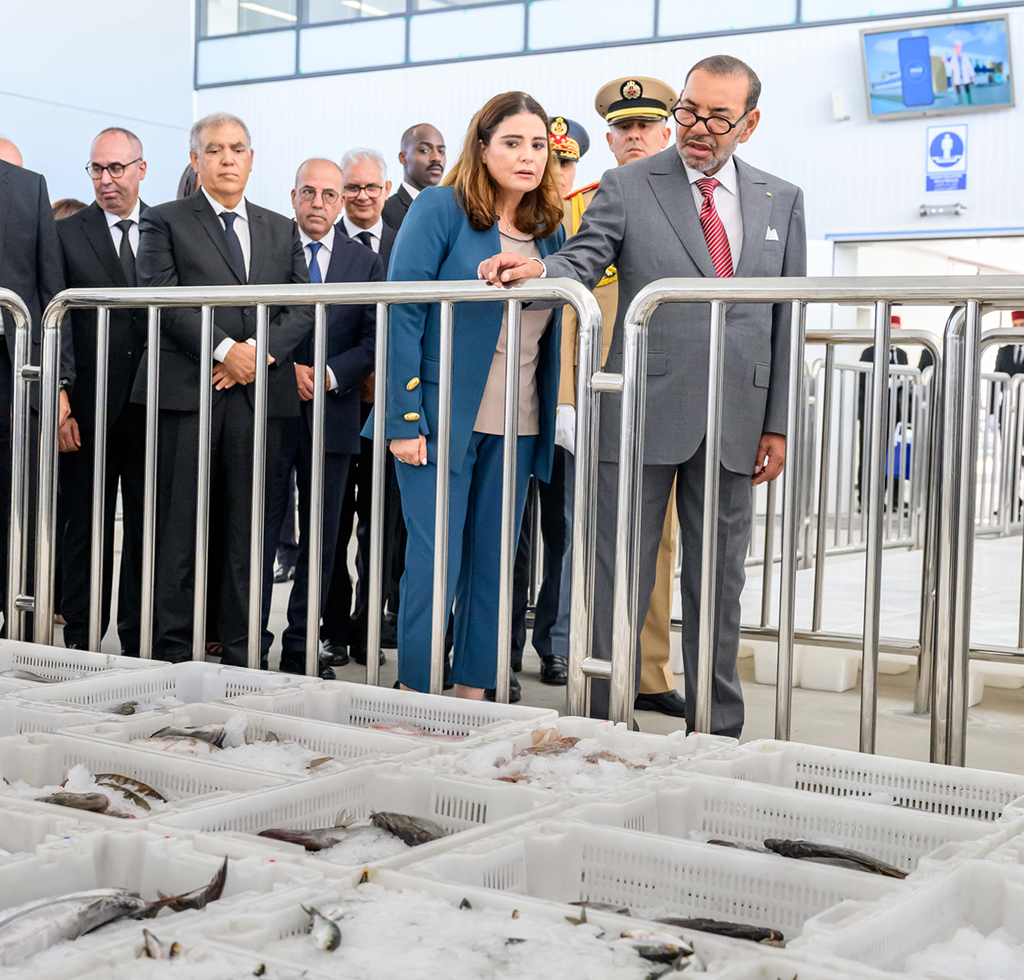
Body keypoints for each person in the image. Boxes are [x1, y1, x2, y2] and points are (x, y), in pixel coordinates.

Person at [481, 57, 806, 736]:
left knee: (719, 583)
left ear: (749, 123)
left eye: (718, 117)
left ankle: (716, 732)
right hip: (639, 412)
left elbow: (786, 317)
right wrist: (543, 267)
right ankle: (600, 723)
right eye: (688, 110)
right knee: (616, 577)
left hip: (736, 419)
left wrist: (777, 420)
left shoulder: (782, 198)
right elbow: (584, 255)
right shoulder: (629, 186)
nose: (698, 128)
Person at [383, 90, 565, 698]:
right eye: (512, 142)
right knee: (434, 564)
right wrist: (403, 419)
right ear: (481, 148)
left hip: (518, 423)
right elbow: (402, 312)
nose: (528, 156)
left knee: (493, 565)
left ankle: (473, 693)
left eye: (538, 145)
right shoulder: (441, 208)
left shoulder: (551, 230)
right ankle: (416, 688)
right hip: (440, 420)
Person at [135, 111, 313, 666]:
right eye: (214, 150)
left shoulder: (280, 227)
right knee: (179, 530)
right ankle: (169, 654)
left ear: (252, 158)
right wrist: (222, 351)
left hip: (258, 394)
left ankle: (241, 656)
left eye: (237, 148)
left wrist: (255, 356)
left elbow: (299, 303)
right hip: (189, 394)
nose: (228, 158)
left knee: (248, 534)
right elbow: (159, 294)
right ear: (195, 160)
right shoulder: (164, 221)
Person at [551, 77, 687, 718]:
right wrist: (565, 399)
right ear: (608, 138)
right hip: (600, 390)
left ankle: (650, 668)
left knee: (660, 541)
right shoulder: (583, 205)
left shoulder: (692, 203)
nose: (635, 137)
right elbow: (568, 310)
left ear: (667, 132)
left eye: (646, 127)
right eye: (623, 129)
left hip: (670, 390)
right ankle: (595, 659)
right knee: (600, 537)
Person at [263, 158, 381, 678]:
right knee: (258, 530)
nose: (318, 203)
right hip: (269, 409)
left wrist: (329, 374)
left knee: (323, 539)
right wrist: (287, 371)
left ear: (341, 203)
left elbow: (373, 340)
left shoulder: (365, 262)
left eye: (328, 195)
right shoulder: (269, 250)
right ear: (292, 197)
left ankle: (300, 647)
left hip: (333, 413)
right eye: (308, 193)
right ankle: (249, 640)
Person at [56, 127, 149, 655]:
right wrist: (62, 398)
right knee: (83, 529)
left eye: (116, 168)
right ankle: (81, 642)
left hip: (153, 406)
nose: (106, 179)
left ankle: (137, 643)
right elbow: (59, 321)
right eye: (97, 168)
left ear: (141, 168)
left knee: (145, 529)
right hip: (87, 409)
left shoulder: (165, 229)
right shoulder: (68, 234)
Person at [506, 115, 590, 690]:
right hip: (517, 398)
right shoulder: (513, 215)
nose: (555, 171)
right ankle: (499, 643)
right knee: (506, 530)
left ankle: (554, 642)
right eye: (546, 156)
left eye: (564, 161)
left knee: (563, 531)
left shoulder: (591, 216)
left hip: (568, 402)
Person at [321, 149, 398, 668]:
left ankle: (371, 624)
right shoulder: (323, 243)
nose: (363, 196)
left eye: (372, 187)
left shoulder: (403, 242)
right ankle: (332, 627)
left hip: (389, 409)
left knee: (383, 529)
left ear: (386, 190)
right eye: (353, 187)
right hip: (334, 404)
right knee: (331, 524)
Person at [382, 124, 446, 230]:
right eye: (424, 150)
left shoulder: (452, 209)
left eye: (441, 151)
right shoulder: (386, 212)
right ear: (403, 158)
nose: (436, 158)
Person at [994, 312, 1024, 377]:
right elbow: (996, 378)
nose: (1018, 328)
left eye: (1022, 324)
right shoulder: (1003, 351)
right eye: (1015, 325)